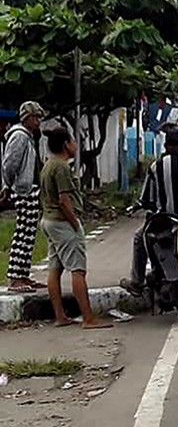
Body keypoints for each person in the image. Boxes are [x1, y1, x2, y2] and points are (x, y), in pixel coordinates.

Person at [39, 128, 112, 330]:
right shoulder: (61, 168)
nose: (76, 146)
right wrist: (74, 222)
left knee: (55, 269)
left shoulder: (47, 165)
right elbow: (64, 200)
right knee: (78, 270)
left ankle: (60, 316)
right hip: (62, 223)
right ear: (65, 144)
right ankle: (88, 319)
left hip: (48, 221)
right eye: (73, 141)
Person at [121, 127, 178, 296]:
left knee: (140, 239)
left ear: (166, 146)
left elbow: (148, 198)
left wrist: (144, 205)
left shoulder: (156, 166)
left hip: (163, 220)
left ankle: (137, 282)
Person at [1, 101, 46, 293]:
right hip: (23, 190)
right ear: (27, 118)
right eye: (36, 118)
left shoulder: (27, 136)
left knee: (29, 235)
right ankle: (15, 277)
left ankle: (24, 274)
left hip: (29, 189)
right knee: (22, 233)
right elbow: (9, 164)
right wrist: (8, 186)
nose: (38, 122)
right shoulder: (19, 137)